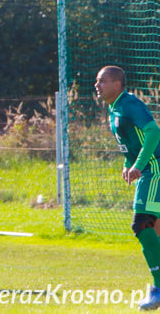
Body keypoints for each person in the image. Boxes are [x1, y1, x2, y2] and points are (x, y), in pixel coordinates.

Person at [95, 65, 160, 311]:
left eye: (102, 81)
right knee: (155, 229)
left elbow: (153, 131)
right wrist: (127, 163)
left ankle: (158, 288)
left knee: (141, 224)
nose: (97, 85)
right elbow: (131, 142)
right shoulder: (114, 109)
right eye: (97, 81)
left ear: (117, 85)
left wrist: (140, 166)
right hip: (149, 170)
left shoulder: (130, 103)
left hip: (155, 169)